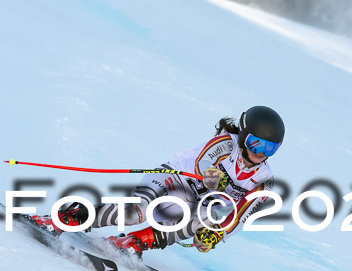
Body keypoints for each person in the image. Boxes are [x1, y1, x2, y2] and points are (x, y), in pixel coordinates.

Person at [31, 105, 285, 256]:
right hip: (172, 181)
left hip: (193, 203)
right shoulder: (225, 144)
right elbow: (204, 162)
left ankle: (136, 241)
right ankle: (66, 218)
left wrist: (218, 237)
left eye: (270, 148)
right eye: (255, 142)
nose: (260, 152)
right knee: (137, 212)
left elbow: (242, 216)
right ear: (243, 136)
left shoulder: (264, 181)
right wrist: (212, 176)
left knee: (215, 219)